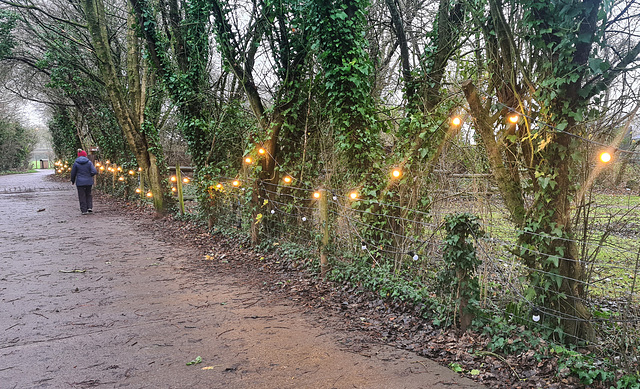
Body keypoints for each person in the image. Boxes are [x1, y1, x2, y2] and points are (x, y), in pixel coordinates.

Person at [70, 150, 97, 215]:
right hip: (88, 181)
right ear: (85, 155)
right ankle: (89, 207)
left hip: (80, 182)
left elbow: (73, 173)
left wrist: (73, 180)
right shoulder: (89, 162)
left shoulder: (76, 163)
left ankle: (84, 210)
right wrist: (90, 175)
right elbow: (94, 171)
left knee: (81, 195)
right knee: (88, 194)